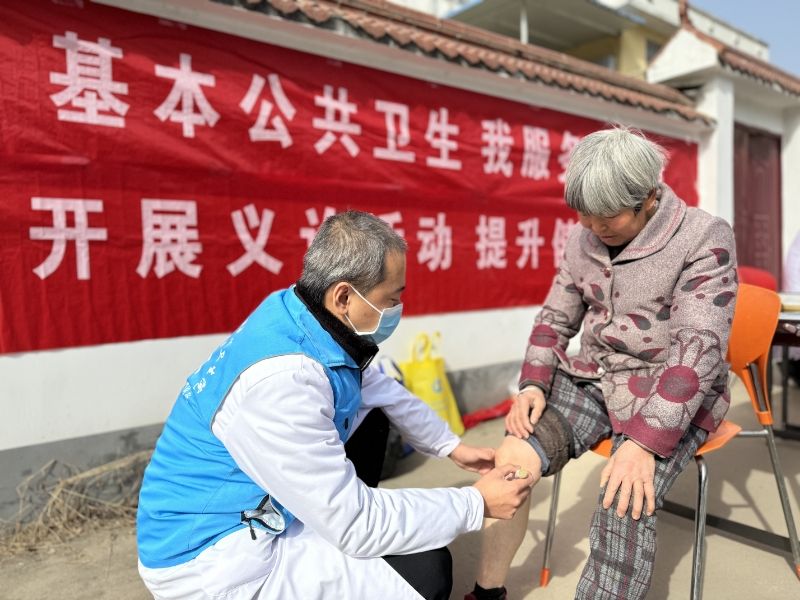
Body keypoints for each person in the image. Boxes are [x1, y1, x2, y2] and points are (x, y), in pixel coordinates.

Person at [136, 210, 532, 600]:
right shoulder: (283, 382)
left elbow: (381, 389)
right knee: (426, 572)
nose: (397, 309)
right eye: (391, 298)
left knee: (373, 415)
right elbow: (356, 522)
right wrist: (476, 503)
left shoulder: (300, 315)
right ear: (343, 295)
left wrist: (451, 447)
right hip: (213, 560)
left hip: (261, 506)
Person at [466, 126, 738, 600]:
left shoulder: (702, 236)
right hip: (594, 377)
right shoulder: (582, 239)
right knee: (511, 459)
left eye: (607, 217)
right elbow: (555, 318)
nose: (593, 228)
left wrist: (643, 443)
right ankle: (487, 593)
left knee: (623, 497)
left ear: (648, 197)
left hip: (670, 390)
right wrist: (533, 384)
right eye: (584, 215)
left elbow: (699, 349)